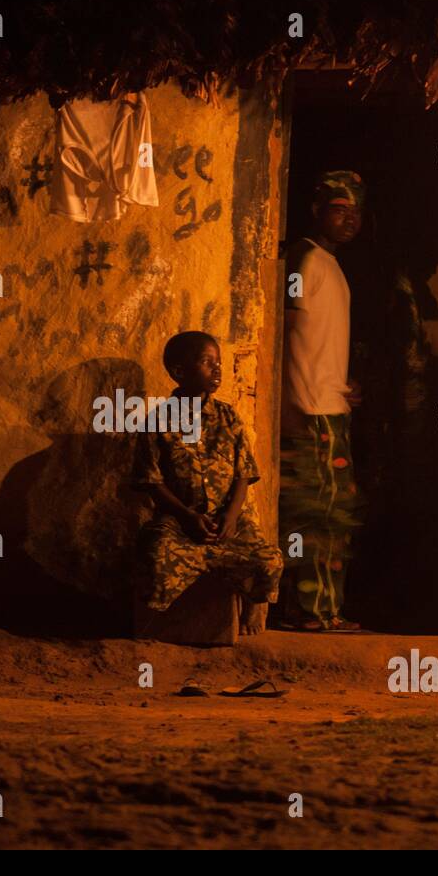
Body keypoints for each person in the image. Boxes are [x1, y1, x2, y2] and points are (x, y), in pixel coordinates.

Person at [131, 331, 283, 635]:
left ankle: (252, 598)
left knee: (270, 560)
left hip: (228, 523)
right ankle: (166, 622)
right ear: (179, 372)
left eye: (219, 363)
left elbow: (243, 473)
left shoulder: (228, 417)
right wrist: (186, 517)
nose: (217, 370)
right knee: (155, 560)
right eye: (206, 362)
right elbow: (151, 481)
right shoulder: (157, 420)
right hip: (179, 523)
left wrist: (230, 516)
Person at [279, 170, 368, 631]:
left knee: (334, 516)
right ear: (317, 211)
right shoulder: (303, 260)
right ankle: (307, 613)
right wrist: (286, 402)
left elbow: (319, 341)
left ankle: (327, 611)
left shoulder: (331, 266)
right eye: (339, 209)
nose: (349, 219)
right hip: (308, 410)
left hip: (332, 409)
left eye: (355, 212)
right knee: (312, 515)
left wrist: (344, 382)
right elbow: (285, 328)